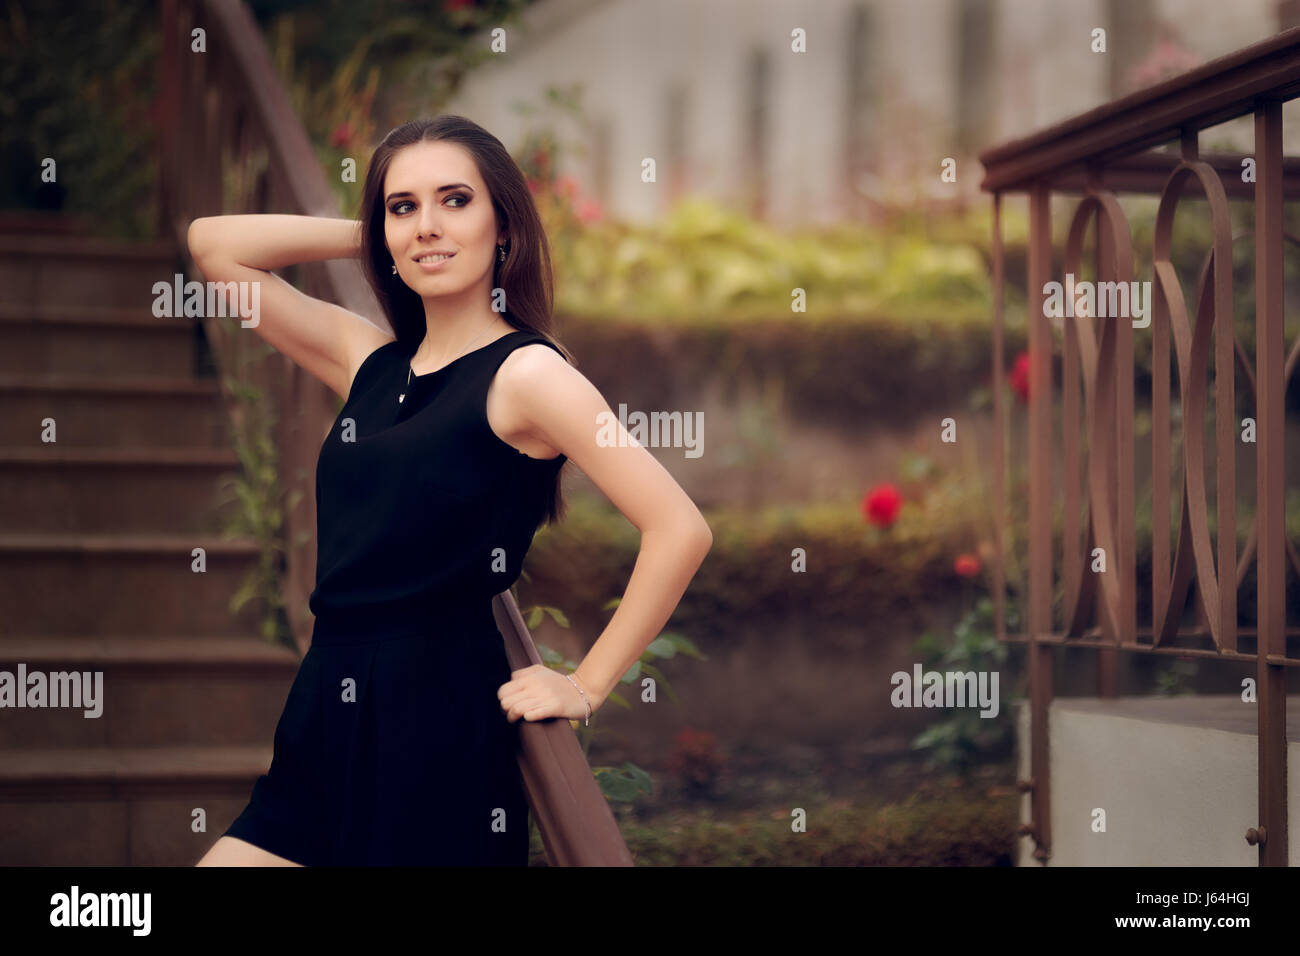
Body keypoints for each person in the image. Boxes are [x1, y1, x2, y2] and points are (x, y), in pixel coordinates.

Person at [190, 115, 712, 866]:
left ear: (504, 224)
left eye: (456, 201)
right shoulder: (365, 361)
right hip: (323, 711)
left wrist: (586, 684)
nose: (428, 227)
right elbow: (215, 247)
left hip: (432, 721)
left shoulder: (528, 375)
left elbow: (678, 526)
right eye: (403, 206)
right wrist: (376, 234)